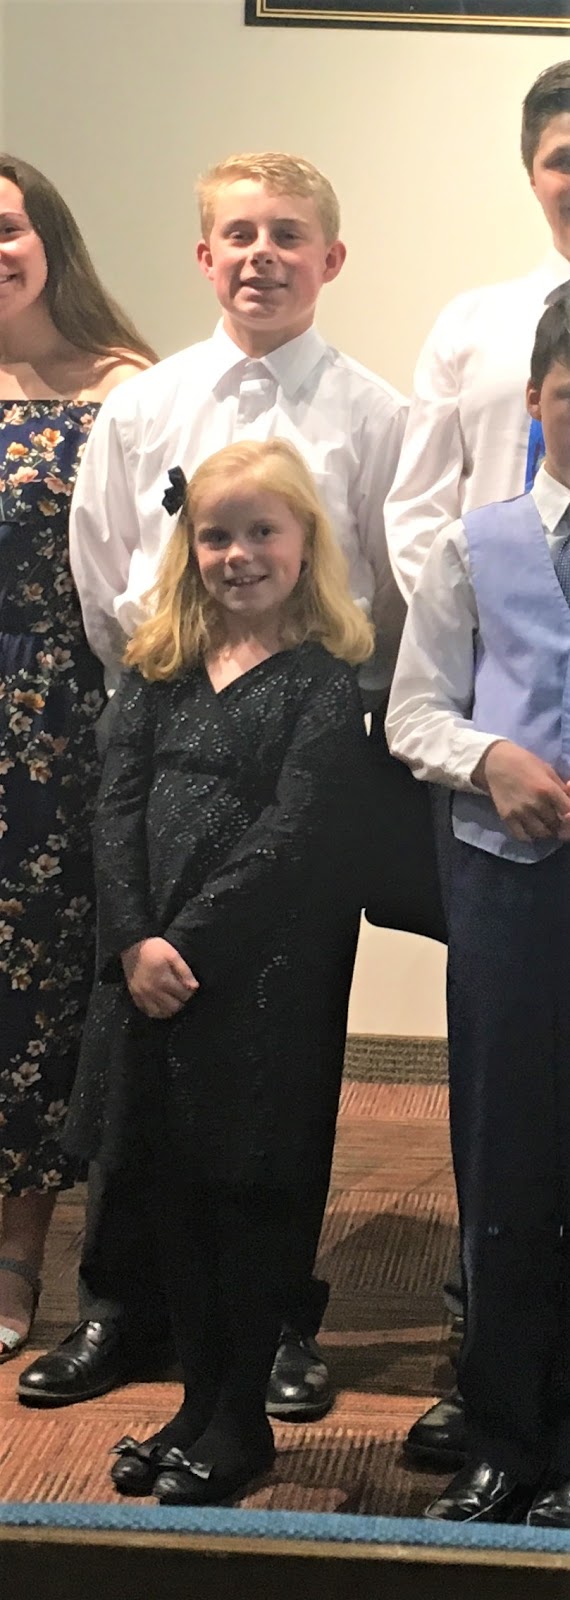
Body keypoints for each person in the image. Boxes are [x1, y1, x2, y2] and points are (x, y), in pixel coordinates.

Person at [19, 150, 410, 1419]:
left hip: (303, 771)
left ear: (329, 259)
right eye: (239, 233)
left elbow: (389, 593)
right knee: (136, 1047)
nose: (262, 255)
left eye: (288, 234)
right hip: (164, 751)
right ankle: (118, 1305)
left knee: (281, 1063)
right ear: (204, 256)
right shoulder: (143, 408)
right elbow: (102, 584)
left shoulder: (377, 416)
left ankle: (275, 1316)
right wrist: (175, 689)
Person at [63, 436, 373, 1506]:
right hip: (150, 982)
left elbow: (292, 835)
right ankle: (195, 1404)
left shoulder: (323, 684)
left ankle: (240, 1420)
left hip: (256, 984)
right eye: (215, 536)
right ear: (188, 548)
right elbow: (113, 811)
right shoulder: (157, 671)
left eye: (261, 533)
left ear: (304, 545)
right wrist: (134, 940)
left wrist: (185, 944)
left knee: (244, 1200)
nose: (238, 554)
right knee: (170, 1196)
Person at [384, 59, 570, 1469]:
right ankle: (504, 1411)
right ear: (539, 398)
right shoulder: (473, 543)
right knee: (506, 1142)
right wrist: (490, 757)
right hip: (509, 876)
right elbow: (415, 713)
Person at [0, 154, 154, 1365]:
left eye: (5, 228)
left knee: (40, 994)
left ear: (48, 234)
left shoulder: (125, 389)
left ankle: (19, 1257)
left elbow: (150, 578)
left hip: (56, 730)